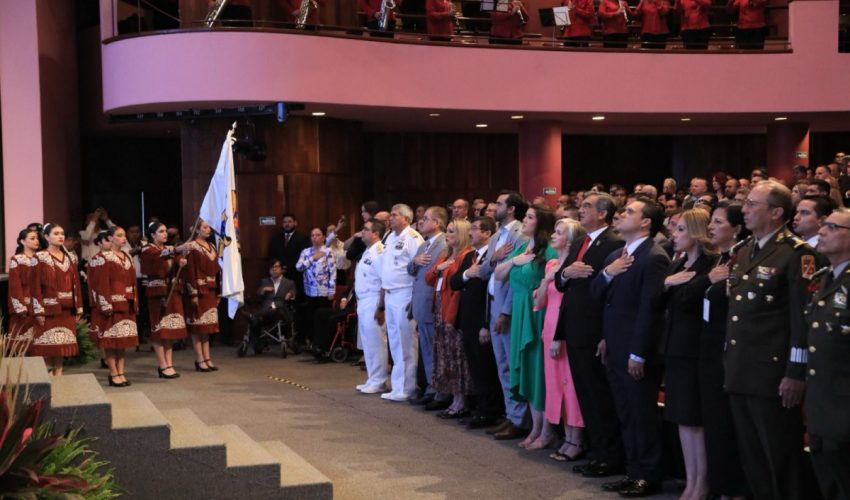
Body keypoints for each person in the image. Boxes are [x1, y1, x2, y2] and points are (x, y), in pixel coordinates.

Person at [725, 180, 812, 499]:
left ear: (776, 212)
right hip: (741, 367)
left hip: (772, 373)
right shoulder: (744, 250)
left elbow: (801, 320)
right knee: (752, 455)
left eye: (752, 204)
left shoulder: (796, 254)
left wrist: (795, 372)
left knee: (780, 456)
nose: (744, 209)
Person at [590, 197, 670, 496]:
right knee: (625, 412)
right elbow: (598, 295)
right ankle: (632, 470)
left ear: (646, 222)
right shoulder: (617, 255)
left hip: (636, 350)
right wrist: (608, 272)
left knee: (642, 414)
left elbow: (649, 310)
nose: (621, 214)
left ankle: (648, 474)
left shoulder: (654, 257)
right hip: (614, 344)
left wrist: (638, 353)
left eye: (630, 212)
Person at [555, 192, 626, 476]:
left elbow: (612, 293)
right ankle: (597, 452)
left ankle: (610, 456)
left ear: (603, 213)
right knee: (585, 393)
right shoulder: (579, 242)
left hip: (595, 329)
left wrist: (605, 334)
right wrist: (566, 273)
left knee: (599, 396)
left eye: (587, 206)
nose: (581, 209)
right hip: (574, 328)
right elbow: (560, 282)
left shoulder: (614, 242)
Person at [662, 209, 716, 500]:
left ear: (696, 233)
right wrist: (667, 282)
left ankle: (702, 482)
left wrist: (687, 283)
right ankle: (691, 479)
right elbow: (658, 297)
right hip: (674, 345)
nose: (674, 234)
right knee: (681, 417)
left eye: (681, 229)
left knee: (695, 418)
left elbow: (688, 300)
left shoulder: (711, 263)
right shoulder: (678, 262)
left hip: (696, 348)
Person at [494, 204, 558, 449]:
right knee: (527, 373)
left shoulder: (549, 250)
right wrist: (515, 260)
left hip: (537, 312)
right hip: (521, 313)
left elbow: (551, 283)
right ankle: (535, 427)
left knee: (539, 372)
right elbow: (499, 274)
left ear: (541, 223)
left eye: (530, 217)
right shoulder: (522, 247)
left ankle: (546, 431)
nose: (525, 220)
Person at [701, 201, 750, 499]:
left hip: (727, 347)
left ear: (737, 228)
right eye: (711, 221)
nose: (711, 227)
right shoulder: (717, 258)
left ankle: (733, 489)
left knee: (726, 424)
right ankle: (720, 487)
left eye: (718, 222)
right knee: (714, 422)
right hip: (709, 346)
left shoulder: (741, 258)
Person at [805, 208, 850, 500]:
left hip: (844, 401)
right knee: (826, 469)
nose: (821, 231)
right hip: (822, 399)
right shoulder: (825, 277)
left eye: (832, 227)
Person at [480, 191, 529, 440]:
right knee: (502, 366)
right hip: (492, 303)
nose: (494, 207)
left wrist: (506, 311)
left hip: (506, 308)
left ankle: (520, 420)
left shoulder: (520, 234)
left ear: (510, 209)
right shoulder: (496, 236)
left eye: (498, 204)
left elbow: (515, 280)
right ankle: (511, 415)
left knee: (511, 364)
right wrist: (493, 259)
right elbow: (483, 271)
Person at [537, 218, 586, 461]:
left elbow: (569, 303)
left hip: (564, 330)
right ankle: (566, 436)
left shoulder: (574, 267)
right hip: (549, 327)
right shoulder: (552, 264)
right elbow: (539, 301)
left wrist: (559, 336)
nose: (553, 236)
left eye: (559, 232)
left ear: (570, 239)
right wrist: (547, 280)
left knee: (571, 386)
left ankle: (577, 439)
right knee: (555, 385)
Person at [451, 216, 504, 429]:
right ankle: (479, 408)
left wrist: (485, 324)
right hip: (467, 320)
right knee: (474, 366)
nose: (470, 232)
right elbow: (454, 282)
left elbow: (490, 294)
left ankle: (489, 412)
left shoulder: (492, 258)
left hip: (482, 320)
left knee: (485, 368)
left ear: (487, 233)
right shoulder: (470, 256)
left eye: (475, 228)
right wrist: (467, 273)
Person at [377, 204, 425, 401]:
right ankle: (397, 386)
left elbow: (418, 269)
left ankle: (408, 387)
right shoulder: (390, 236)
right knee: (395, 342)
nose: (391, 218)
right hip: (390, 293)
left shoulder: (413, 238)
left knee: (407, 342)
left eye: (395, 215)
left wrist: (414, 298)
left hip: (405, 293)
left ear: (406, 218)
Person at [426, 219, 474, 418]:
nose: (447, 234)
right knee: (445, 356)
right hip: (439, 308)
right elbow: (428, 278)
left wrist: (450, 316)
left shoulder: (465, 255)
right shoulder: (446, 254)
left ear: (462, 234)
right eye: (447, 231)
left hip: (452, 310)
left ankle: (460, 401)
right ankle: (451, 396)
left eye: (452, 231)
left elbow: (458, 287)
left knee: (456, 357)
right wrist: (438, 269)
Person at [407, 207, 450, 408]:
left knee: (436, 350)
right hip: (420, 303)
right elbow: (410, 270)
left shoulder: (443, 244)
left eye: (426, 218)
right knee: (426, 349)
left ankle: (440, 392)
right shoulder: (424, 245)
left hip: (432, 304)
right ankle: (431, 389)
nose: (421, 221)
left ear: (438, 223)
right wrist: (415, 261)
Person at [89, 227, 140, 387]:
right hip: (112, 304)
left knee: (123, 341)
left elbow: (133, 281)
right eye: (119, 235)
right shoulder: (102, 257)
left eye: (124, 235)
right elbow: (100, 284)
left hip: (127, 302)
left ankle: (121, 372)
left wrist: (134, 301)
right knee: (110, 341)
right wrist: (105, 304)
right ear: (110, 238)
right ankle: (113, 373)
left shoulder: (127, 256)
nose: (123, 238)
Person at [32, 223, 82, 376]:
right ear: (46, 237)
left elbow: (76, 283)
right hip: (48, 309)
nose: (61, 236)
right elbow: (35, 286)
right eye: (56, 233)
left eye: (62, 233)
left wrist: (79, 306)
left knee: (62, 346)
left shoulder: (71, 257)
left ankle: (59, 377)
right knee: (48, 347)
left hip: (67, 309)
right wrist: (38, 310)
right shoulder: (39, 257)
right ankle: (47, 379)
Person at [140, 222, 188, 379]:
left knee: (169, 329)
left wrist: (180, 262)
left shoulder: (168, 249)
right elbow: (158, 256)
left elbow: (174, 259)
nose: (165, 234)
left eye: (165, 231)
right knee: (159, 328)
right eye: (161, 231)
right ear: (152, 235)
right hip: (157, 292)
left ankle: (169, 363)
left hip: (171, 290)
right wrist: (176, 250)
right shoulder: (148, 249)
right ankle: (162, 365)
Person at [354, 219, 389, 394]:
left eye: (366, 229)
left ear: (376, 233)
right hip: (363, 300)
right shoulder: (368, 251)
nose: (363, 232)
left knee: (376, 342)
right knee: (368, 343)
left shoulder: (380, 252)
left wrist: (381, 307)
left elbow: (385, 281)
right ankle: (372, 378)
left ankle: (379, 380)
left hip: (374, 299)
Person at [184, 221, 221, 372]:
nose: (208, 229)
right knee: (198, 327)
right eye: (205, 227)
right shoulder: (192, 246)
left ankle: (207, 358)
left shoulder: (212, 246)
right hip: (199, 290)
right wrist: (193, 292)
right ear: (197, 230)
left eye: (208, 227)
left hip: (211, 289)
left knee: (207, 327)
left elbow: (218, 270)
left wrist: (218, 291)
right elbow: (190, 271)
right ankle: (199, 359)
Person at [295, 227, 338, 350]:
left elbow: (332, 272)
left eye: (318, 235)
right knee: (310, 318)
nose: (315, 237)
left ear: (323, 237)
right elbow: (298, 267)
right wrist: (312, 258)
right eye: (313, 235)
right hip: (309, 291)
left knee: (322, 318)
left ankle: (322, 345)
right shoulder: (306, 252)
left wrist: (331, 291)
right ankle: (312, 343)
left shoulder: (328, 251)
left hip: (324, 292)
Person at [8, 228, 41, 345]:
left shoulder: (42, 259)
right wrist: (21, 308)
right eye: (32, 238)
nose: (36, 241)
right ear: (22, 241)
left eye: (37, 238)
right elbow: (14, 286)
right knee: (22, 345)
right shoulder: (17, 259)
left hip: (41, 306)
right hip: (25, 306)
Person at [250, 259, 296, 342]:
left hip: (280, 311)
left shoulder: (289, 283)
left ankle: (252, 317)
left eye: (276, 267)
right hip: (266, 311)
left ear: (282, 269)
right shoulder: (265, 281)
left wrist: (290, 294)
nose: (274, 269)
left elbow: (294, 292)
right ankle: (258, 340)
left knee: (261, 315)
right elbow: (258, 293)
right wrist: (263, 289)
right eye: (272, 267)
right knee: (258, 318)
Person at [267, 213, 310, 295]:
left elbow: (302, 257)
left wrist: (287, 268)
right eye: (284, 222)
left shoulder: (302, 239)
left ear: (295, 223)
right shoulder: (275, 239)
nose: (287, 224)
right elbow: (272, 256)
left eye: (290, 222)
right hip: (278, 274)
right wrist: (279, 268)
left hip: (295, 274)